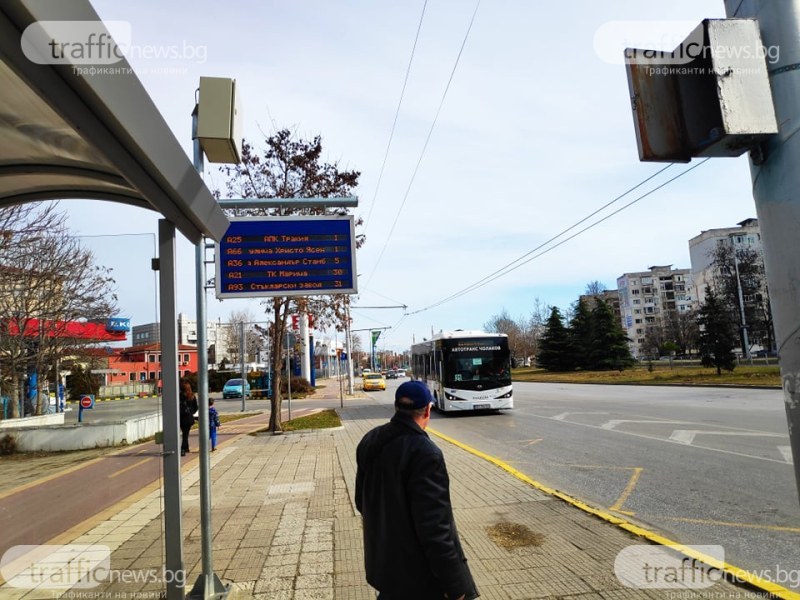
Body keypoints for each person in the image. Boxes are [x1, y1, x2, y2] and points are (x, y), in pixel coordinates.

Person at [355, 381, 478, 600]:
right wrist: (456, 586)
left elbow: (361, 501)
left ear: (396, 407)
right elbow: (435, 529)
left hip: (386, 571)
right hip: (421, 581)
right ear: (428, 410)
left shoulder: (370, 440)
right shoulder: (426, 453)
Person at [178, 379, 198, 456]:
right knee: (185, 434)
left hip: (180, 417)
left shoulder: (179, 396)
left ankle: (186, 448)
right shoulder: (192, 396)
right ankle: (183, 449)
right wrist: (193, 414)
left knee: (184, 433)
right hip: (189, 418)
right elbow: (196, 408)